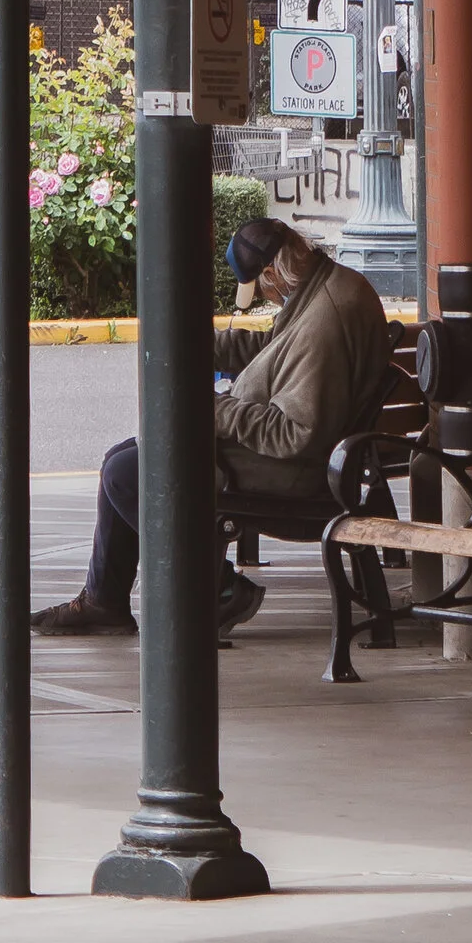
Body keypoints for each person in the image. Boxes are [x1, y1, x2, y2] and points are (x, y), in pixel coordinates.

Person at [32, 213, 393, 637]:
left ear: (273, 272)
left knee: (127, 472)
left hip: (296, 472)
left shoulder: (323, 321)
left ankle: (220, 588)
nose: (265, 297)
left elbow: (297, 433)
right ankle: (104, 601)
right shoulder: (323, 286)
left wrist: (217, 411)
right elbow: (276, 352)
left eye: (261, 287)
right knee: (122, 458)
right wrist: (205, 346)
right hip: (303, 456)